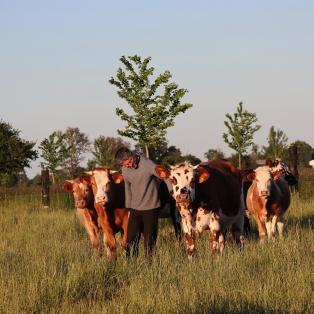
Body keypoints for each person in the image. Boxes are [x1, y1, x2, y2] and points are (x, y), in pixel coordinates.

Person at [115, 147, 161, 259]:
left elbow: (164, 176)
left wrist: (173, 191)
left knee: (149, 240)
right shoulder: (125, 170)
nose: (129, 165)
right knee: (130, 240)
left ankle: (150, 266)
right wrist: (129, 209)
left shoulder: (147, 163)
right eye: (125, 164)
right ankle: (131, 266)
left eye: (130, 161)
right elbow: (128, 189)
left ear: (132, 155)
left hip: (151, 208)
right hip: (135, 209)